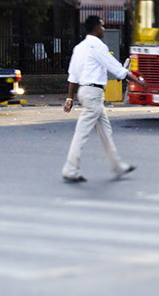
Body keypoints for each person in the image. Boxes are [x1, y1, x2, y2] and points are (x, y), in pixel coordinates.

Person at [61, 15, 147, 183]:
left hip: (88, 93)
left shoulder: (79, 48)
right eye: (102, 26)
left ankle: (117, 166)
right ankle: (70, 169)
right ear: (95, 28)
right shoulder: (97, 46)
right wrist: (139, 81)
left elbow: (73, 76)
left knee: (105, 132)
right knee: (81, 133)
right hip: (93, 94)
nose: (104, 29)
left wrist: (69, 98)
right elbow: (115, 67)